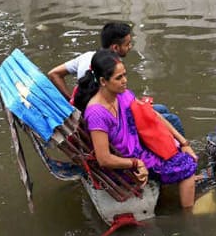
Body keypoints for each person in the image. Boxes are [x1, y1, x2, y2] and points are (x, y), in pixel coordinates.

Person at [74, 50, 198, 208]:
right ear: (103, 81)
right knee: (188, 166)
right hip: (125, 166)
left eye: (125, 75)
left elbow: (152, 115)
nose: (125, 81)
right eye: (119, 78)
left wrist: (183, 142)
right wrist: (136, 163)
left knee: (182, 151)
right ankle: (188, 217)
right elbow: (104, 159)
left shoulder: (122, 94)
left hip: (140, 150)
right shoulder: (96, 113)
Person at [48, 22, 184, 134]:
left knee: (162, 109)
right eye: (127, 44)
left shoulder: (87, 56)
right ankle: (182, 158)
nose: (130, 47)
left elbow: (54, 74)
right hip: (113, 119)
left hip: (98, 111)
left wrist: (71, 102)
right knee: (172, 119)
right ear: (115, 47)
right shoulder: (112, 68)